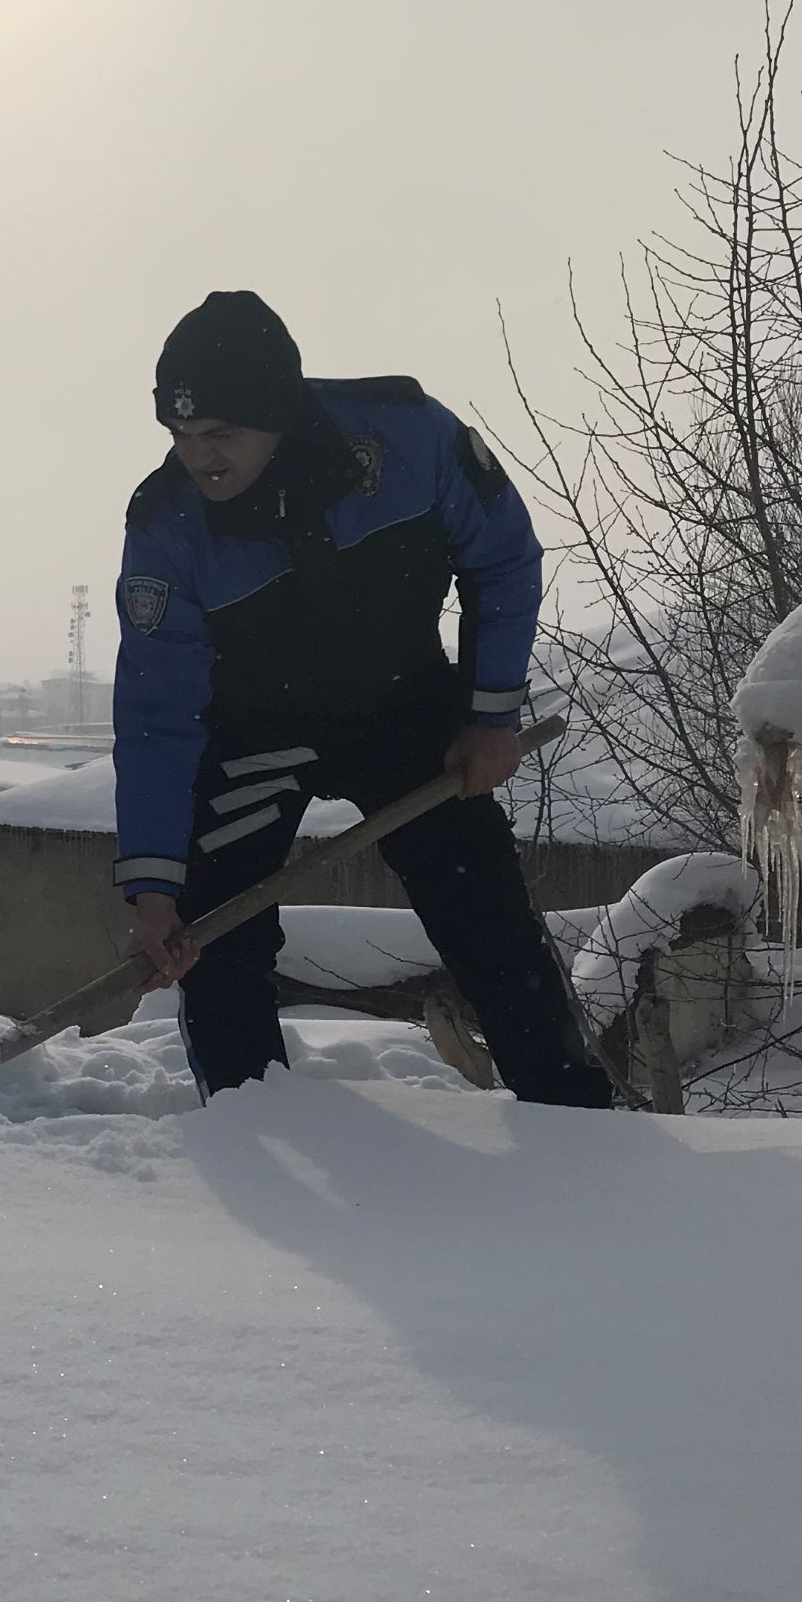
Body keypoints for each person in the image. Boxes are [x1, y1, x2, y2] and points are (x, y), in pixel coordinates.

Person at [109, 290, 615, 1107]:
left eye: (220, 435)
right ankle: (247, 1115)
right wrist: (154, 890)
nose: (199, 459)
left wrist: (490, 719)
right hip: (254, 736)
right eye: (180, 436)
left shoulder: (405, 436)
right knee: (216, 934)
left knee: (484, 913)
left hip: (405, 718)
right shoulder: (167, 526)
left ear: (276, 413)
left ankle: (573, 1116)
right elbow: (156, 714)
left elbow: (504, 557)